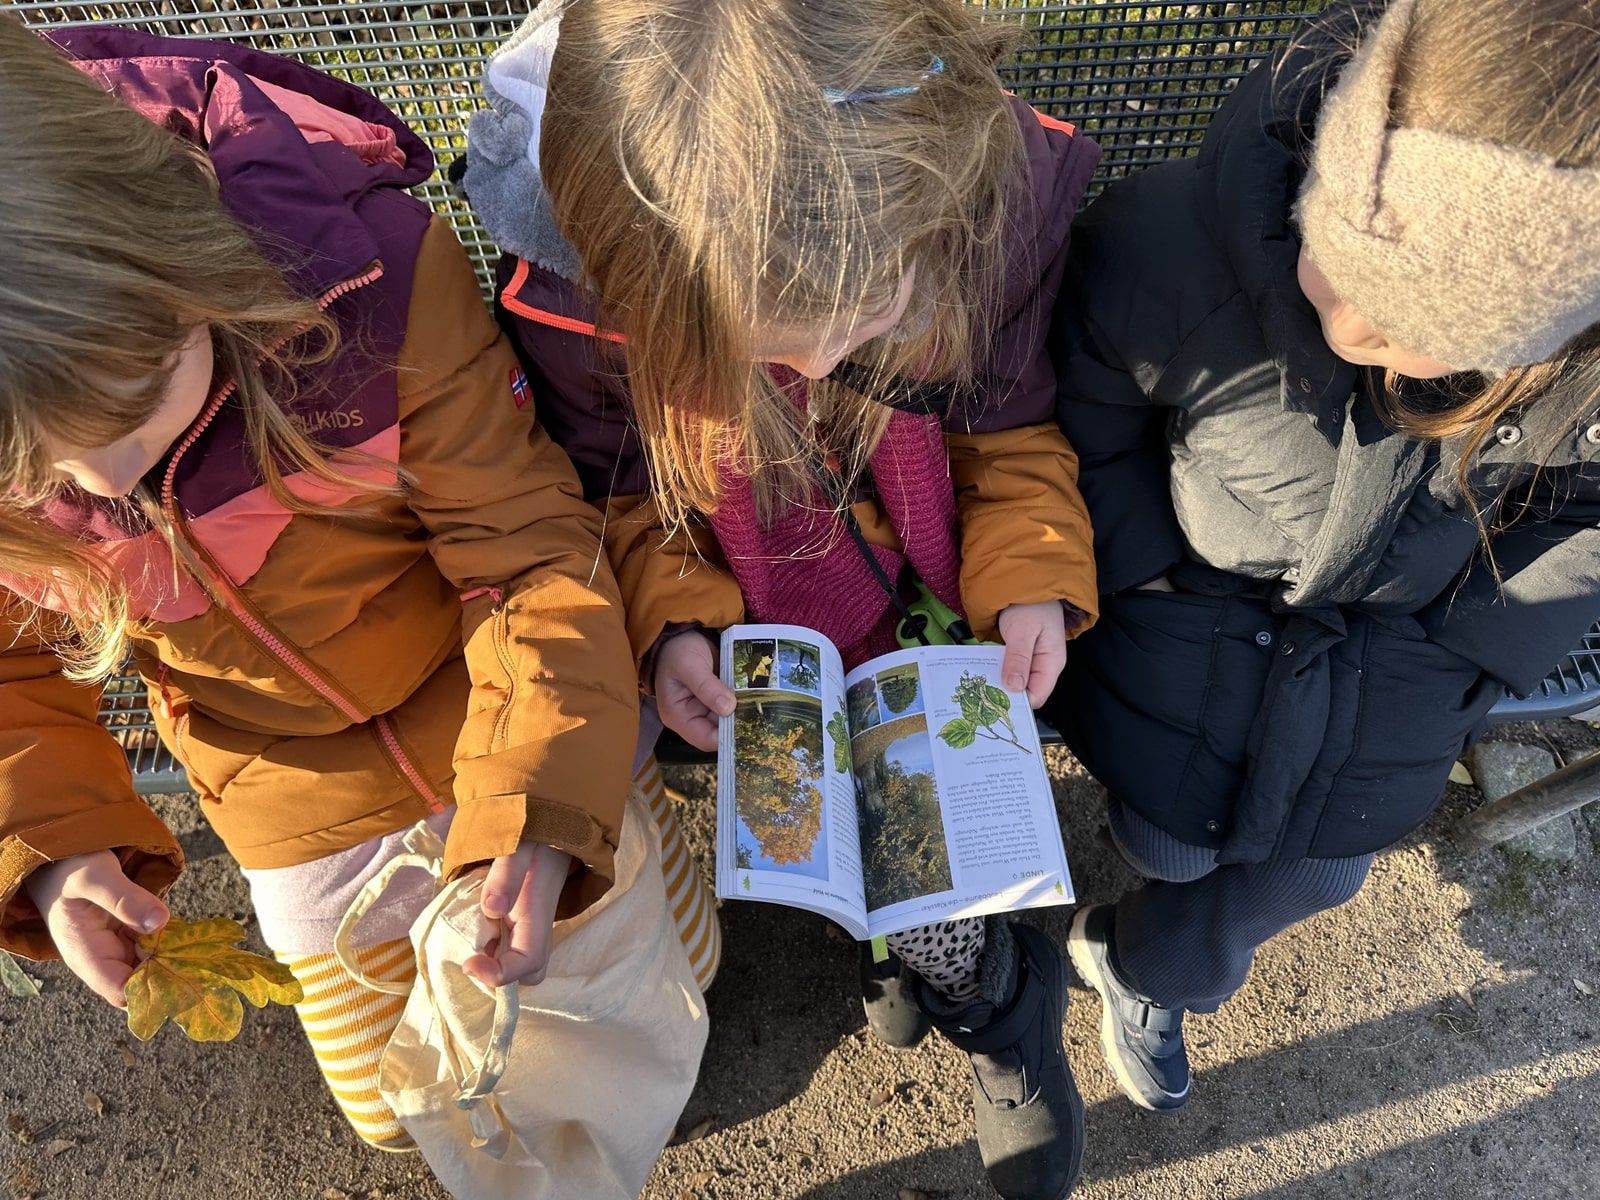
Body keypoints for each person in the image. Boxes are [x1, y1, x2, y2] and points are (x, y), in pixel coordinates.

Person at [0, 18, 717, 1162]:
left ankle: (652, 890)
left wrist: (538, 807)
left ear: (187, 255)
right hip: (280, 800)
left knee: (629, 942)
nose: (105, 483)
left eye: (139, 403)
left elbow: (525, 546)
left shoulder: (371, 280)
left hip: (495, 698)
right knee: (391, 1112)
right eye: (35, 472)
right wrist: (55, 853)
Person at [462, 1, 1102, 1195]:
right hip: (763, 633)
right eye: (758, 349)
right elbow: (616, 500)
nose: (809, 375)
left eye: (865, 325)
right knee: (821, 837)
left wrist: (1030, 582)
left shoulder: (975, 214)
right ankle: (901, 940)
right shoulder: (583, 297)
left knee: (923, 850)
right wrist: (678, 617)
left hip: (934, 611)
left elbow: (1010, 424)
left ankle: (995, 998)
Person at [1049, 0, 1600, 1115]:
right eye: (1323, 254)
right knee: (1167, 833)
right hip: (1188, 611)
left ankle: (1145, 968)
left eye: (1409, 325)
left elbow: (1579, 531)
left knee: (1324, 866)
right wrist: (1141, 572)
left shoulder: (1574, 381)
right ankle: (1145, 931)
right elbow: (1088, 421)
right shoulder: (1163, 242)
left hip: (1407, 648)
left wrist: (1464, 663)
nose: (1345, 321)